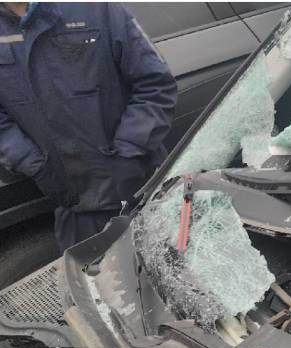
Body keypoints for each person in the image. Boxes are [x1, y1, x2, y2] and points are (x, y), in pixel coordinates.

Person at [0, 2, 177, 250]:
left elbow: (155, 85)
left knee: (169, 267)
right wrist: (35, 165)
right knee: (90, 273)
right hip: (75, 208)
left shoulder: (97, 8)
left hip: (143, 189)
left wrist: (129, 152)